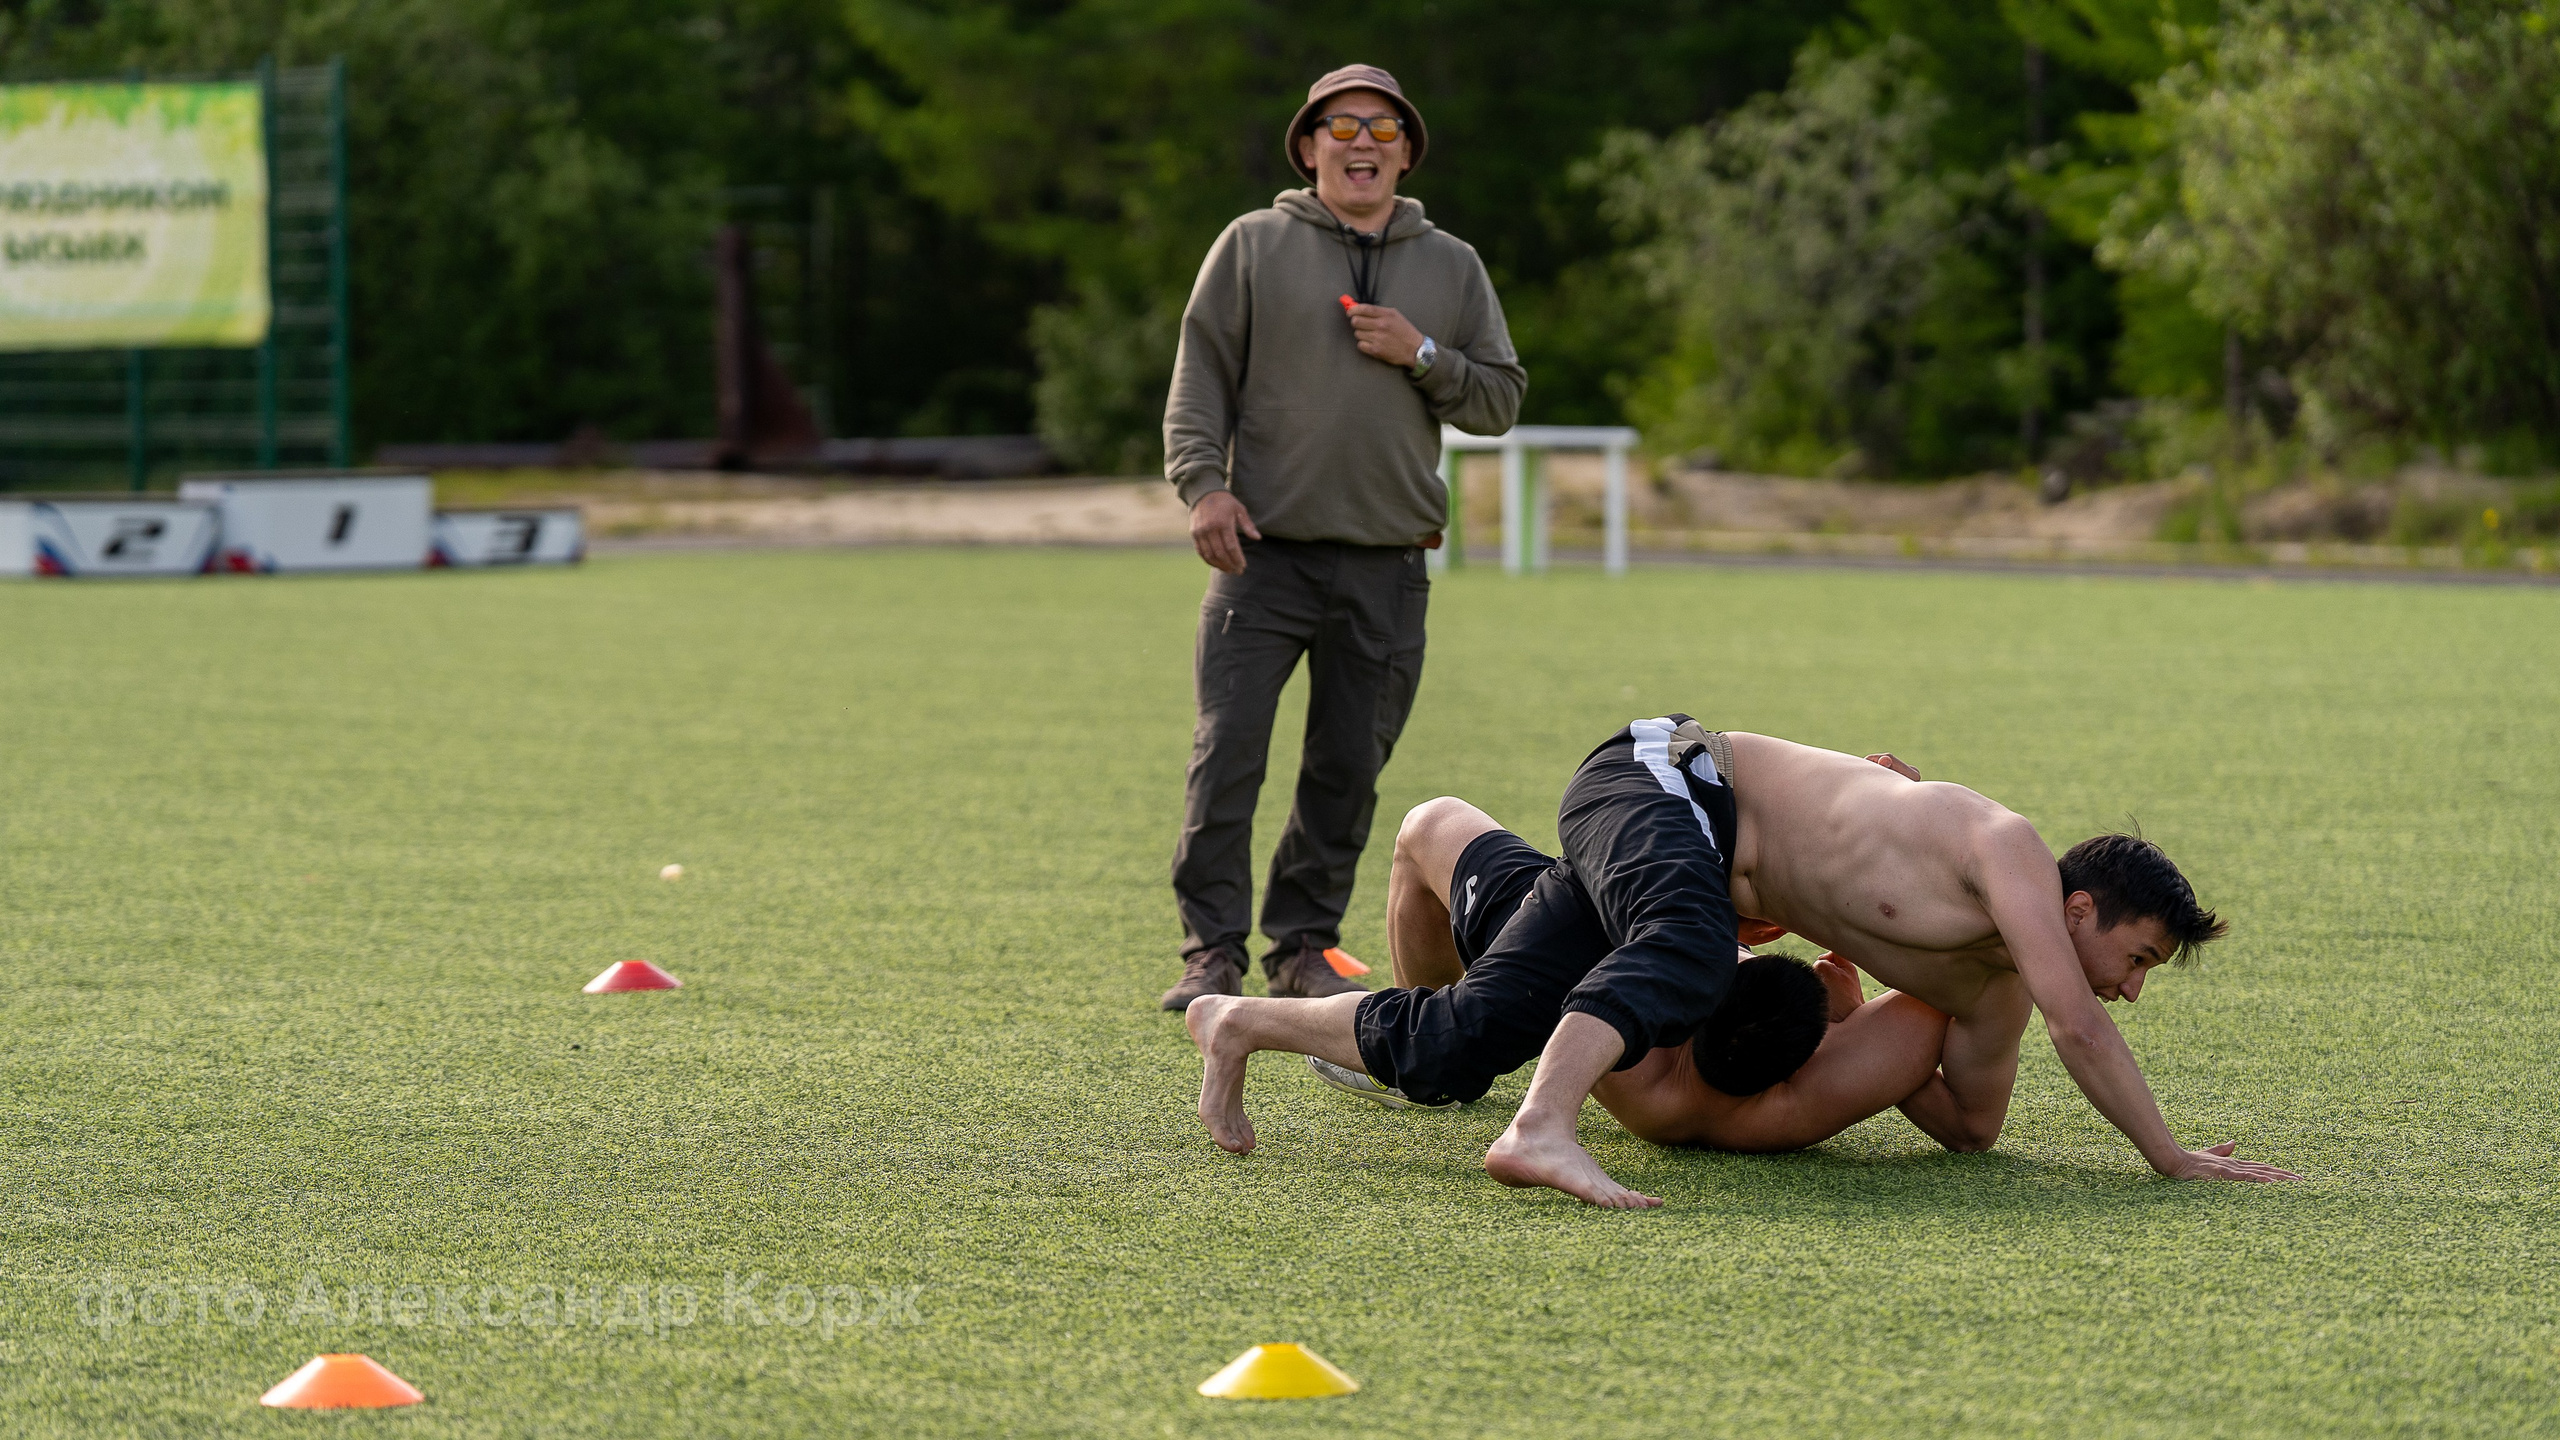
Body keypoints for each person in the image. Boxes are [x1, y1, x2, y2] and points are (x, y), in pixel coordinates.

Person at [1185, 717, 2303, 1206]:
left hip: (1674, 863)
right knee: (1682, 950)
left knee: (1468, 1040)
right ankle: (1539, 1130)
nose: (2129, 986)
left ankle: (1236, 1023)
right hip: (1666, 778)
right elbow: (2081, 1028)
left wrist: (1852, 1011)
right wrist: (2169, 1158)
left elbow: (1972, 1126)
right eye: (2135, 955)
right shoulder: (1997, 844)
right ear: (2078, 904)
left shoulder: (1986, 987)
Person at [1156, 63, 1527, 1012]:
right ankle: (1210, 952)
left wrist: (1425, 354)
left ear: (1407, 151)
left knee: (1347, 767)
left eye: (1383, 129)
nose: (1362, 142)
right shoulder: (1251, 246)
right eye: (1341, 126)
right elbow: (1200, 377)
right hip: (1263, 559)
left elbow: (1499, 400)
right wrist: (1203, 486)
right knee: (1227, 752)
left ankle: (1305, 948)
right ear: (1308, 146)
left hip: (1388, 566)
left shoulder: (1453, 266)